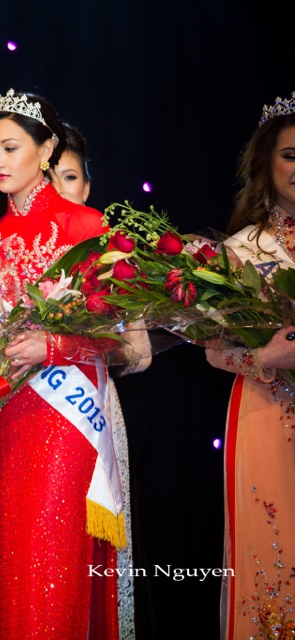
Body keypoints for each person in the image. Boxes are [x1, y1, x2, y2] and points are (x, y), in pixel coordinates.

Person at [0, 89, 126, 639]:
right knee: (6, 567)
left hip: (63, 418)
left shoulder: (88, 226)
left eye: (10, 147)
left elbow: (116, 335)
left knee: (51, 562)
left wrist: (52, 348)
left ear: (46, 148)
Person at [52, 122, 151, 640]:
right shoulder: (16, 252)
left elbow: (140, 353)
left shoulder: (111, 252)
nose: (59, 189)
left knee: (98, 563)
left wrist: (76, 344)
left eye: (69, 178)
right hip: (33, 417)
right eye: (50, 178)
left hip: (92, 413)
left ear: (87, 187)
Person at [204, 92, 294, 640]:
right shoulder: (243, 249)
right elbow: (214, 348)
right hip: (267, 414)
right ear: (267, 162)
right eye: (291, 156)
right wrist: (266, 356)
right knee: (274, 548)